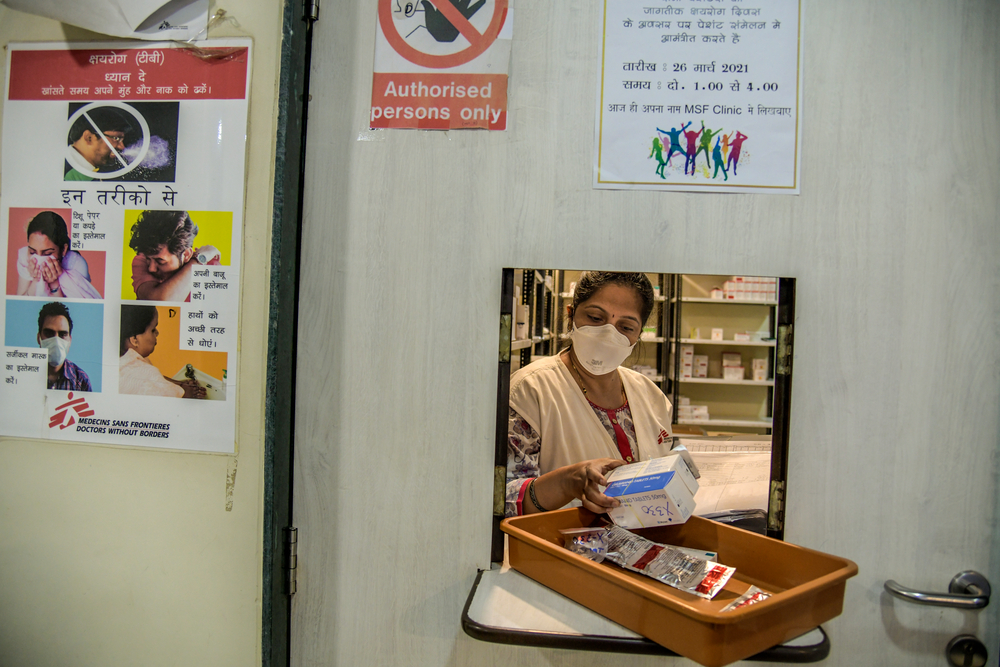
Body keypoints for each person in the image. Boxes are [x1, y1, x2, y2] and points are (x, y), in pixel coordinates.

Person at [505, 272, 674, 517]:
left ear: (638, 335)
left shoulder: (651, 396)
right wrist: (566, 483)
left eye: (626, 327)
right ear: (571, 314)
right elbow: (503, 498)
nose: (608, 334)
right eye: (595, 318)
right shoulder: (529, 390)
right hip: (556, 539)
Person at [128, 210, 219, 302]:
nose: (151, 269)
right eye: (148, 259)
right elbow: (159, 303)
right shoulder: (141, 260)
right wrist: (197, 262)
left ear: (186, 255)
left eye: (160, 261)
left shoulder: (211, 267)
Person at [118, 305, 206, 398]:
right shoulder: (146, 371)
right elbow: (170, 397)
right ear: (134, 339)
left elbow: (156, 379)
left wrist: (179, 384)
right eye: (153, 330)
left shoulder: (127, 361)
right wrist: (187, 394)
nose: (157, 333)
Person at [16, 211, 101, 299]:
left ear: (63, 250)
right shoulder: (25, 257)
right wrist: (36, 280)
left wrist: (54, 284)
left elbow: (76, 307)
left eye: (47, 253)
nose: (39, 259)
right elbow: (19, 303)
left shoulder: (76, 264)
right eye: (32, 252)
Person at [37, 302, 92, 391]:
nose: (56, 341)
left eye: (62, 334)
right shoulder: (25, 374)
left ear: (70, 341)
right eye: (49, 333)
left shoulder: (81, 380)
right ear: (39, 338)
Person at [65, 107, 132, 180]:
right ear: (89, 137)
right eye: (116, 138)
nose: (122, 147)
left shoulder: (84, 171)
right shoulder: (69, 175)